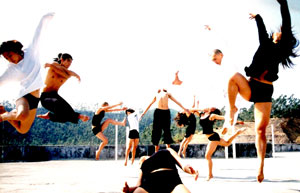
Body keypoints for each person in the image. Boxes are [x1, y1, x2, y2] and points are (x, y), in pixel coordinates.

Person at [227, 0, 298, 183]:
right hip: (251, 86)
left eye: (282, 33)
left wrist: (283, 3)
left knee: (260, 130)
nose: (279, 32)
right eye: (278, 32)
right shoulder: (265, 43)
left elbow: (287, 22)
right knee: (233, 77)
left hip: (265, 91)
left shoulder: (282, 50)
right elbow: (262, 30)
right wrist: (258, 17)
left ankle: (260, 168)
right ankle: (232, 108)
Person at [0, 13, 54, 134]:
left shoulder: (31, 51)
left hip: (35, 97)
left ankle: (3, 113)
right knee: (22, 115)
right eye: (6, 58)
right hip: (23, 95)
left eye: (9, 55)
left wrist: (46, 17)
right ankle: (2, 117)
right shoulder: (12, 70)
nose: (9, 59)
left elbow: (38, 33)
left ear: (15, 50)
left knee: (23, 129)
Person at [37, 53, 90, 123]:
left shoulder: (63, 71)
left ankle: (49, 116)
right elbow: (60, 70)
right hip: (46, 98)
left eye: (70, 62)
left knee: (65, 117)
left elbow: (63, 73)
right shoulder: (55, 65)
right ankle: (80, 116)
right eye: (68, 61)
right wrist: (74, 74)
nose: (69, 64)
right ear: (62, 60)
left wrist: (74, 74)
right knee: (61, 106)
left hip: (55, 95)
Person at [197, 107, 245, 181]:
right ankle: (238, 132)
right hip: (211, 137)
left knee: (207, 156)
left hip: (213, 137)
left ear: (212, 111)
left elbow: (225, 118)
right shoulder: (202, 115)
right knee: (227, 143)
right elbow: (193, 110)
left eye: (211, 108)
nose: (210, 107)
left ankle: (210, 175)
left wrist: (236, 121)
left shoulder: (212, 116)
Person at [122, 148, 198, 193]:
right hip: (149, 184)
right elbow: (138, 185)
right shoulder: (143, 165)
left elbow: (182, 163)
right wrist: (129, 190)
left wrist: (190, 171)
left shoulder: (165, 151)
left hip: (171, 180)